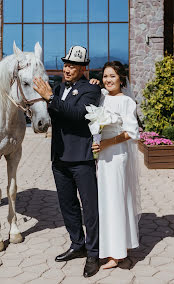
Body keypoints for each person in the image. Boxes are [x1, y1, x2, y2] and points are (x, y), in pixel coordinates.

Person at [33, 46, 101, 278]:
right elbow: (51, 112)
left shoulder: (91, 90)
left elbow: (78, 114)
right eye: (66, 64)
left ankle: (94, 252)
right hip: (59, 157)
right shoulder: (59, 87)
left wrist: (50, 97)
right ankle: (77, 244)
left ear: (83, 68)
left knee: (90, 207)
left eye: (73, 65)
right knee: (67, 205)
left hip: (81, 158)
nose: (67, 69)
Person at [92, 61, 141, 269]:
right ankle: (112, 247)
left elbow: (131, 132)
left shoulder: (127, 102)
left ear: (121, 78)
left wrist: (106, 143)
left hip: (117, 154)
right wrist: (94, 83)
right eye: (105, 76)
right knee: (106, 201)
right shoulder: (102, 97)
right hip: (102, 156)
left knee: (117, 200)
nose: (108, 80)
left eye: (112, 76)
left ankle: (118, 253)